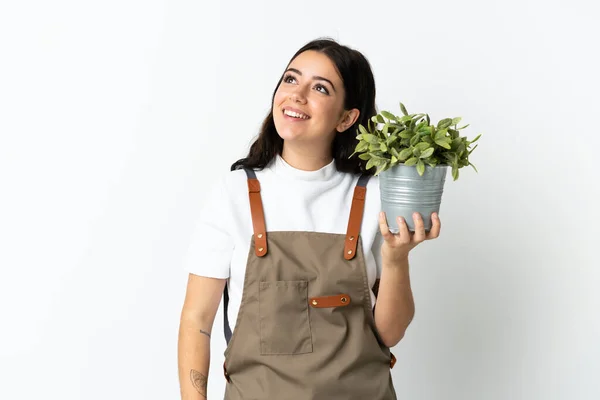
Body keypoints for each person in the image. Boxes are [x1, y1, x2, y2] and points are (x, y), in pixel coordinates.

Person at [177, 38, 441, 400]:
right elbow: (196, 320)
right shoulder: (234, 192)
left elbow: (390, 333)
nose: (297, 95)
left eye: (320, 88)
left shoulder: (378, 196)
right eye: (290, 79)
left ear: (348, 117)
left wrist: (397, 258)